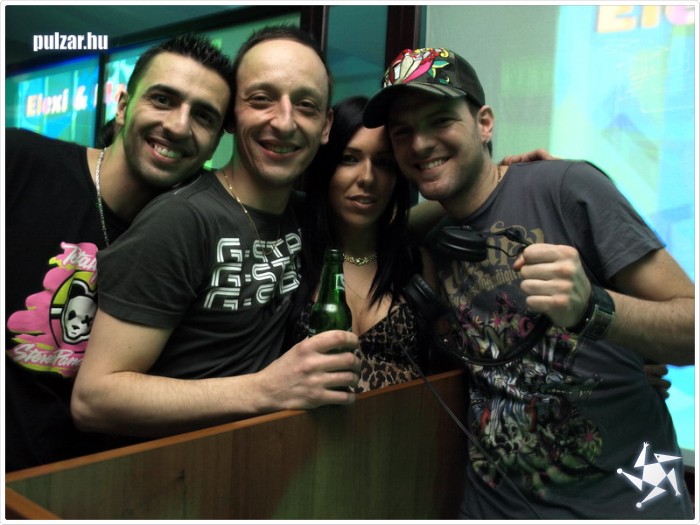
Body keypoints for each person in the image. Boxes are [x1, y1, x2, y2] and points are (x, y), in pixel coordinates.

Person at [362, 47, 694, 519]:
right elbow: (366, 227)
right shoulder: (433, 238)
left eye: (440, 121)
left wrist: (593, 309)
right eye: (403, 132)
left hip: (631, 501)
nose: (420, 144)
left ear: (484, 123)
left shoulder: (568, 187)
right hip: (496, 508)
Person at [70, 26, 363, 441]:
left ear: (326, 124)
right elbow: (94, 400)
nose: (284, 122)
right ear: (232, 115)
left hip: (255, 461)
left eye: (306, 105)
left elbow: (395, 228)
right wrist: (267, 390)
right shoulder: (181, 219)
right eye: (261, 99)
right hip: (174, 469)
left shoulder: (306, 214)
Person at [4, 33, 234, 471]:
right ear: (124, 105)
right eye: (163, 99)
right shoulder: (19, 162)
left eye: (203, 116)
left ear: (216, 140)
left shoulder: (191, 233)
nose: (178, 126)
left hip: (93, 486)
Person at [289, 95, 443, 392]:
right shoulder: (294, 254)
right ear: (326, 168)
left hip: (406, 418)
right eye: (349, 159)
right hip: (307, 422)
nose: (367, 178)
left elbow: (443, 371)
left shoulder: (415, 262)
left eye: (383, 163)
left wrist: (500, 173)